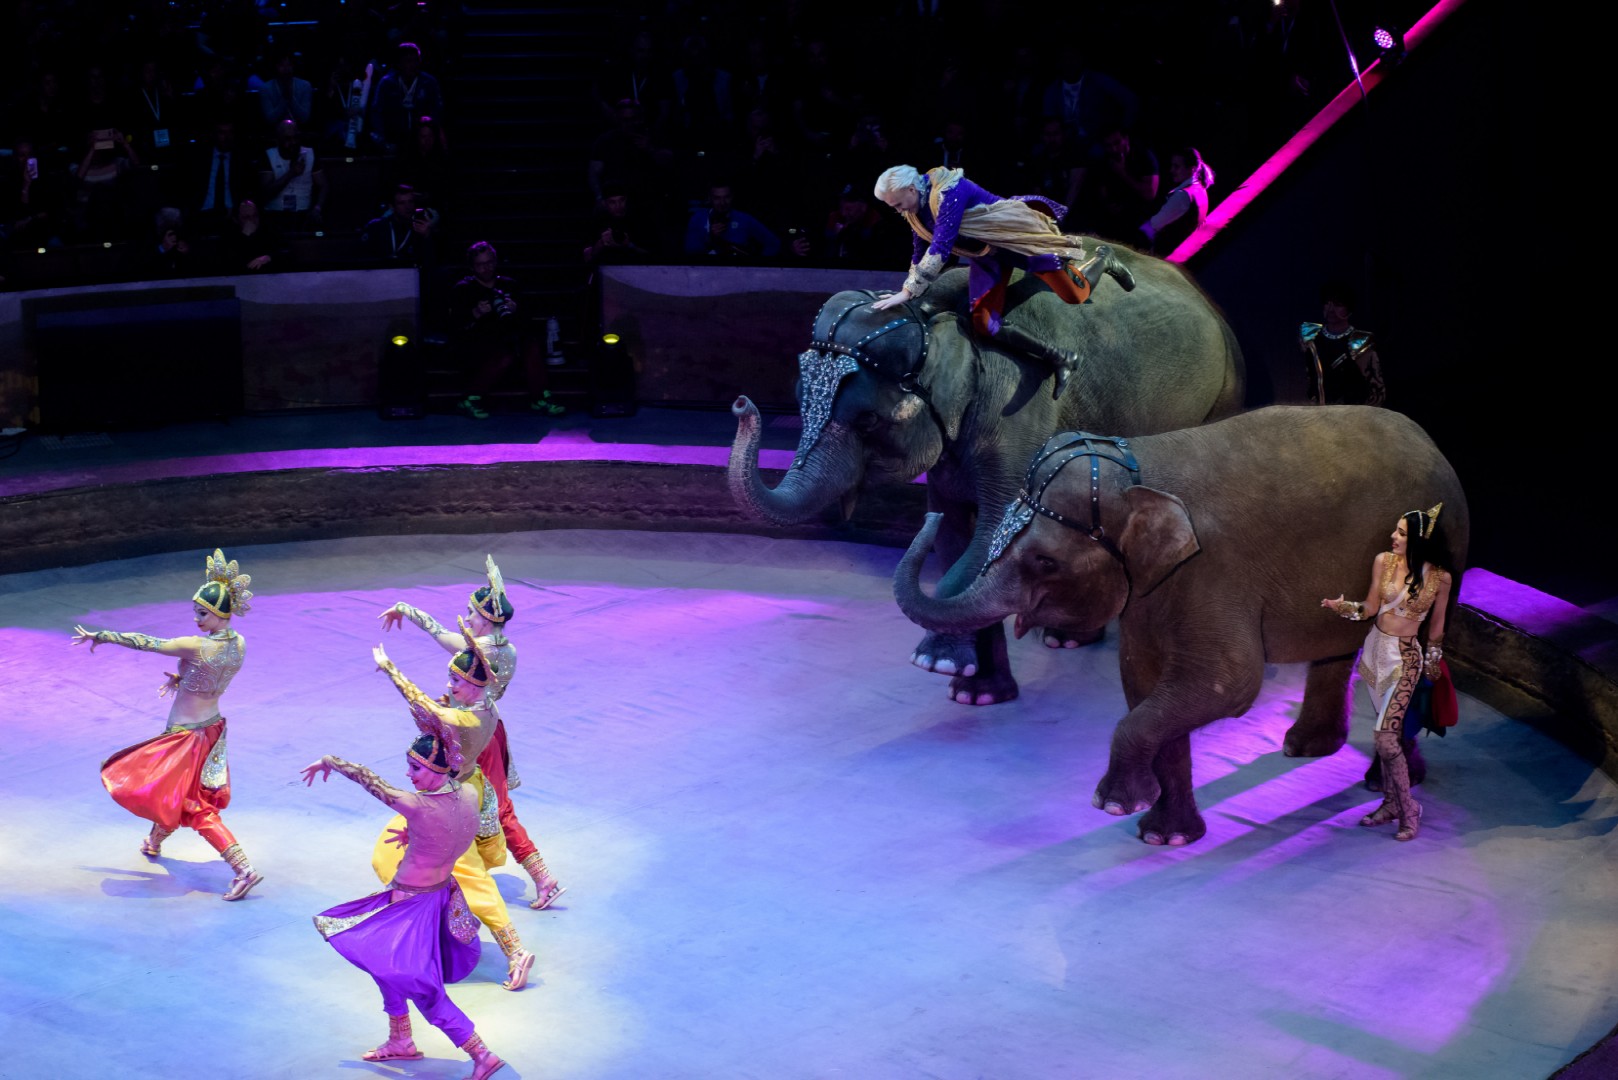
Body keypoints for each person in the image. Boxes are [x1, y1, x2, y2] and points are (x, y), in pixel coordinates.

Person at [303, 728, 506, 1078]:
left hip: (413, 908)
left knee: (424, 989)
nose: (408, 775)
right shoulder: (469, 793)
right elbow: (453, 828)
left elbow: (369, 780)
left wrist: (329, 761)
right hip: (437, 896)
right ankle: (401, 1039)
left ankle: (481, 1054)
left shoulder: (417, 806)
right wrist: (417, 834)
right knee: (382, 963)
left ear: (437, 769)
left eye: (415, 768)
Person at [71, 549, 263, 901]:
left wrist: (103, 636)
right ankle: (154, 841)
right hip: (213, 729)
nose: (196, 619)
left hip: (185, 738)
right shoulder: (239, 643)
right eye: (196, 612)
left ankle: (243, 870)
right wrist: (182, 679)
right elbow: (213, 676)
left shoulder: (196, 646)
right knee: (173, 793)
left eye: (202, 613)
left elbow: (147, 643)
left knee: (195, 807)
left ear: (221, 613)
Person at [380, 555, 565, 909]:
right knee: (453, 801)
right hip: (482, 726)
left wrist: (406, 609)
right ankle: (431, 876)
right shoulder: (507, 649)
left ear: (486, 618)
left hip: (474, 736)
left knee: (483, 807)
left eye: (471, 613)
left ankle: (542, 877)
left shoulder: (479, 651)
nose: (466, 617)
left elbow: (441, 635)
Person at [871, 163, 1134, 399]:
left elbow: (941, 245)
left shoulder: (949, 191)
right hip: (988, 255)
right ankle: (1061, 357)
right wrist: (906, 290)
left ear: (911, 189)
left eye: (897, 204)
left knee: (1075, 295)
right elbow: (920, 250)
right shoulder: (915, 210)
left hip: (1016, 239)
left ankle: (1104, 258)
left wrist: (908, 292)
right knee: (984, 323)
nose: (898, 210)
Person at [369, 629, 538, 991]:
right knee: (398, 856)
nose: (450, 685)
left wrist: (390, 668)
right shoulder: (484, 707)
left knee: (465, 872)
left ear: (476, 685)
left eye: (457, 680)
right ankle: (437, 927)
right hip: (458, 791)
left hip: (450, 803)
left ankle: (514, 950)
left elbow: (423, 706)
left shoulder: (469, 719)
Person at [1322, 503, 1454, 842]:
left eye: (1401, 533)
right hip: (1374, 654)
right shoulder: (1384, 561)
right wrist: (1343, 608)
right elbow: (1369, 608)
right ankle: (1391, 803)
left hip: (1405, 660)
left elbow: (1436, 629)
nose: (1393, 536)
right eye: (1396, 530)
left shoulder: (1440, 579)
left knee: (1385, 738)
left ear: (1418, 540)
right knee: (1387, 738)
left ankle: (1409, 809)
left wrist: (1433, 664)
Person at [446, 241, 564, 418]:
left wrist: (516, 310)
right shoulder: (464, 289)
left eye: (489, 263)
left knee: (530, 345)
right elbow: (455, 325)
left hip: (509, 337)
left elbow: (527, 319)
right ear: (472, 267)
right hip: (477, 342)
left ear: (495, 262)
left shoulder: (509, 285)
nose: (486, 268)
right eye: (480, 264)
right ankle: (470, 399)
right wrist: (476, 313)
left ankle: (541, 398)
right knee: (503, 354)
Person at [1301, 279, 1386, 406]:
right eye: (1327, 303)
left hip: (1353, 413)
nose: (1331, 309)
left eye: (1338, 304)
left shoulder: (1359, 342)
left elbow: (1376, 389)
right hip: (1320, 412)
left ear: (1348, 308)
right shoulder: (1312, 338)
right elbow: (1311, 380)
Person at [1138, 146, 1214, 255]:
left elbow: (1153, 225)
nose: (1171, 170)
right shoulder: (1200, 188)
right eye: (1172, 166)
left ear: (1192, 169)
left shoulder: (1182, 196)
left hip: (1169, 255)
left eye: (1177, 167)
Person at [683, 183, 780, 260]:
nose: (722, 203)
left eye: (726, 197)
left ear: (732, 197)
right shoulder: (698, 219)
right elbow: (690, 252)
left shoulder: (744, 219)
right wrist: (710, 238)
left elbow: (773, 243)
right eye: (717, 198)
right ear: (710, 198)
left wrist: (757, 267)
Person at [260, 119, 326, 231]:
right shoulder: (268, 156)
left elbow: (323, 185)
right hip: (275, 214)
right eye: (288, 138)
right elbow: (266, 193)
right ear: (278, 140)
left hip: (303, 214)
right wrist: (291, 173)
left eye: (296, 137)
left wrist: (317, 208)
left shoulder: (310, 154)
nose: (293, 142)